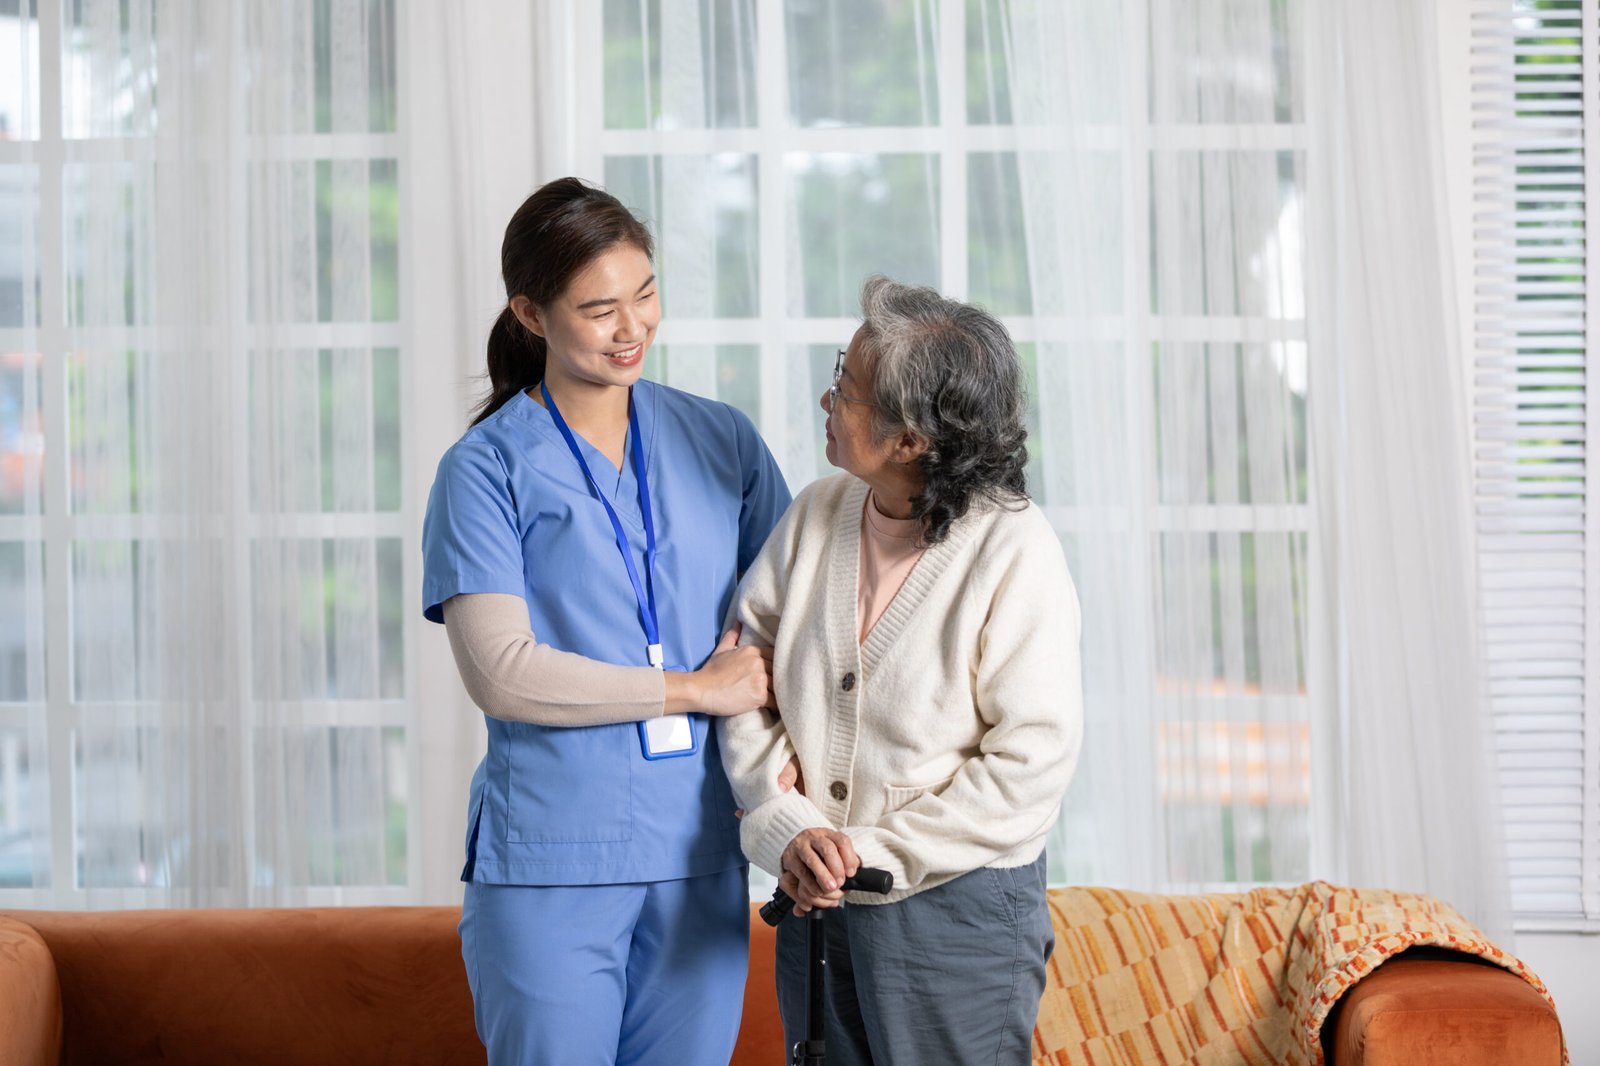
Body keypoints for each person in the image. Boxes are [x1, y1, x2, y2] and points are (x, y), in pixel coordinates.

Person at [421, 177, 792, 1065]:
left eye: (645, 295)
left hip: (702, 852)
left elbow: (794, 613)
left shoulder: (722, 440)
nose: (632, 329)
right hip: (551, 861)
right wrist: (694, 688)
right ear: (531, 314)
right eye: (598, 309)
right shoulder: (484, 470)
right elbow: (503, 671)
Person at [719, 276, 1083, 1064]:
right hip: (815, 899)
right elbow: (743, 675)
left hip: (958, 912)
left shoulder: (1014, 550)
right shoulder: (817, 512)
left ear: (912, 437)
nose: (827, 396)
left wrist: (868, 856)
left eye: (846, 387)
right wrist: (790, 830)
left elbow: (1031, 766)